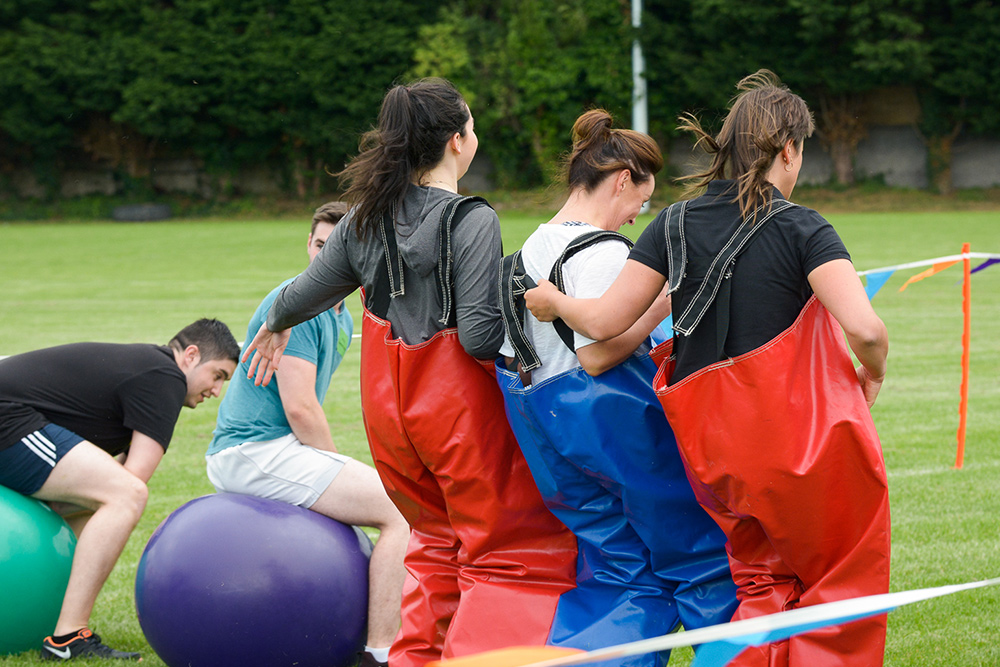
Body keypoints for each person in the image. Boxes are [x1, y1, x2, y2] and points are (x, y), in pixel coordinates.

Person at [525, 71, 890, 666]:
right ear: (788, 149)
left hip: (714, 448)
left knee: (757, 581)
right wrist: (872, 369)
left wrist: (554, 303)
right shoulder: (805, 227)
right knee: (838, 585)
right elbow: (866, 328)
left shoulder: (671, 224)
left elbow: (603, 323)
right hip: (802, 442)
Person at [242, 78, 577, 667]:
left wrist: (275, 322)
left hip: (391, 419)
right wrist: (524, 301)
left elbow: (303, 293)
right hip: (456, 419)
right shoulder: (470, 218)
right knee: (506, 552)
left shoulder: (363, 218)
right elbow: (477, 337)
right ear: (457, 140)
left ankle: (413, 658)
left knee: (433, 545)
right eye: (472, 127)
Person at [496, 109, 737, 666]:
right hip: (608, 420)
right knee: (700, 561)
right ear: (623, 179)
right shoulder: (602, 253)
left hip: (538, 417)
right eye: (641, 203)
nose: (635, 220)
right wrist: (667, 293)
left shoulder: (533, 244)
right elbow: (600, 352)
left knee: (618, 570)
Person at [205, 201, 409, 667]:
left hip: (272, 450)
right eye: (318, 245)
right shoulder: (299, 303)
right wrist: (337, 466)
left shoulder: (339, 314)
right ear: (309, 245)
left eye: (334, 248)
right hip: (252, 451)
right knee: (401, 508)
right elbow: (300, 408)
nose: (323, 258)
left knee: (390, 497)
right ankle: (379, 652)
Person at [0, 319, 240, 662]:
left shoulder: (149, 369)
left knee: (103, 500)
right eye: (218, 375)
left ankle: (46, 614)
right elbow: (133, 481)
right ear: (190, 355)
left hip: (17, 418)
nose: (216, 391)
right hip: (7, 417)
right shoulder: (165, 377)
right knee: (126, 496)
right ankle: (68, 636)